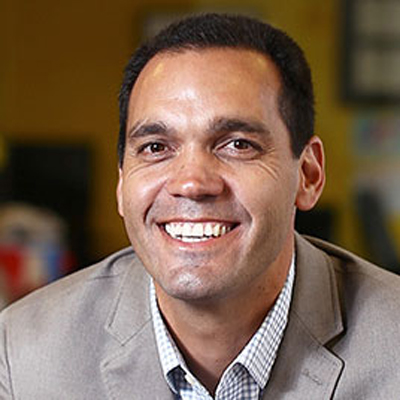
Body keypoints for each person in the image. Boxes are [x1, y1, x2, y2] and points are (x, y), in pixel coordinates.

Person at [1, 13, 400, 400]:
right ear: (122, 183)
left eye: (238, 144)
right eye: (155, 147)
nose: (191, 183)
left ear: (308, 175)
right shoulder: (24, 356)